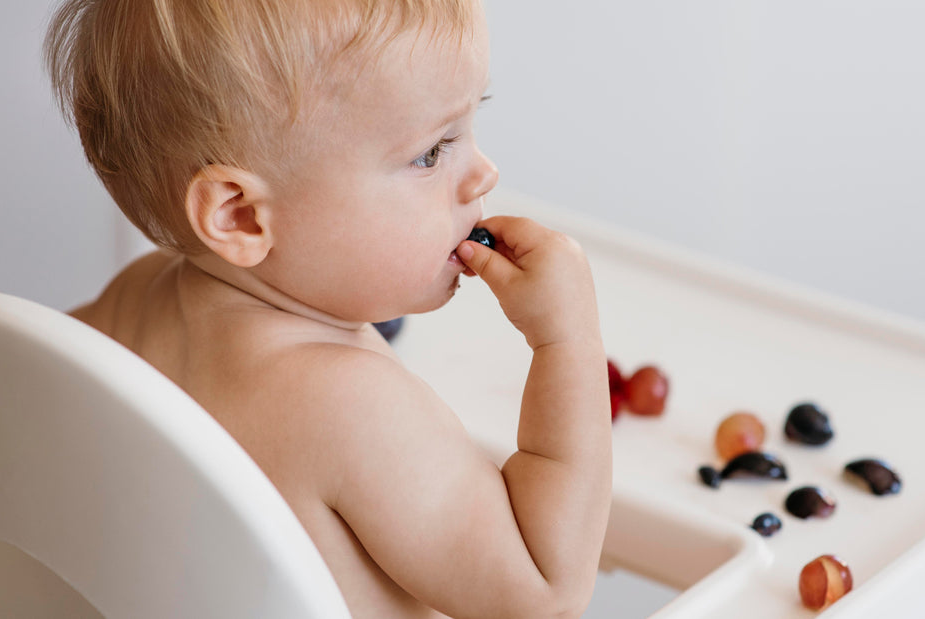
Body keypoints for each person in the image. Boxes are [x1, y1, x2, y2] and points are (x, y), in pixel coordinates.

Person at [45, 0, 612, 616]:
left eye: (473, 123)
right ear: (239, 215)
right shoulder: (355, 405)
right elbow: (547, 594)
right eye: (431, 152)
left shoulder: (135, 299)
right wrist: (568, 341)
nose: (484, 173)